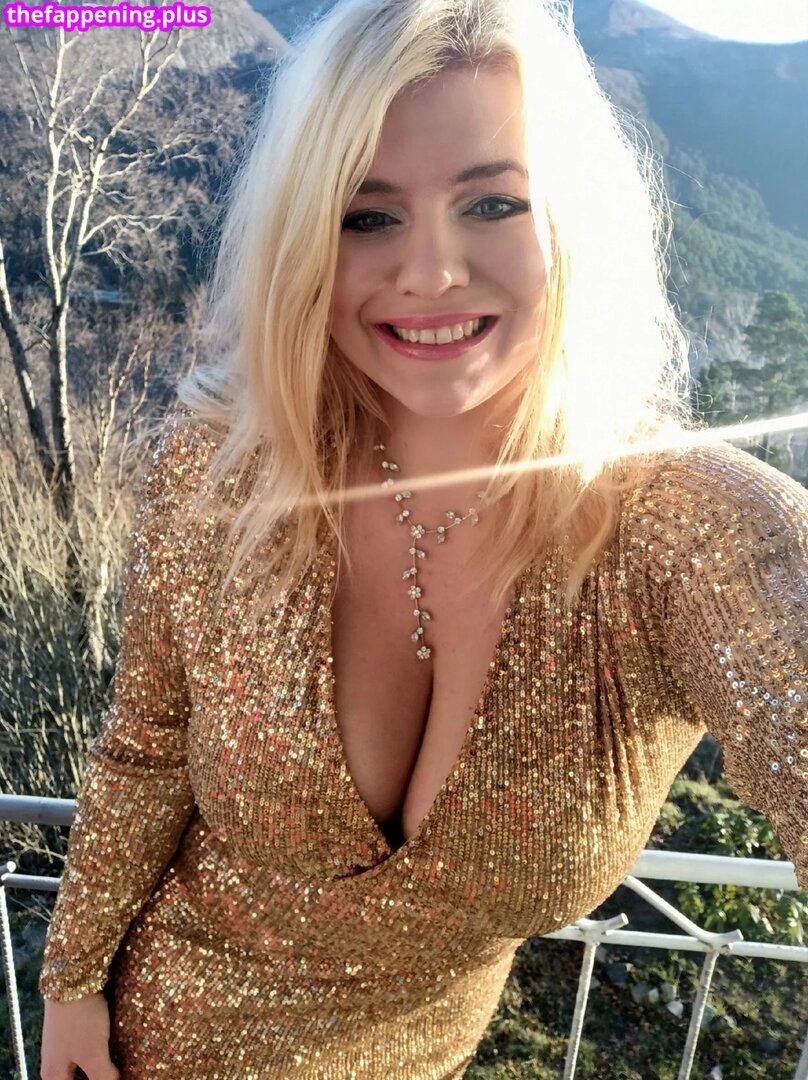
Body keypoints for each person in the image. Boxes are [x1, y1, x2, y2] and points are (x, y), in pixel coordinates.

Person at [38, 0, 807, 1077]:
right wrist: (70, 984)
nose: (432, 272)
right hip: (152, 1038)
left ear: (574, 223)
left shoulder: (694, 533)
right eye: (368, 216)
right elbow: (150, 746)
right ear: (306, 240)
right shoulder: (223, 468)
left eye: (493, 202)